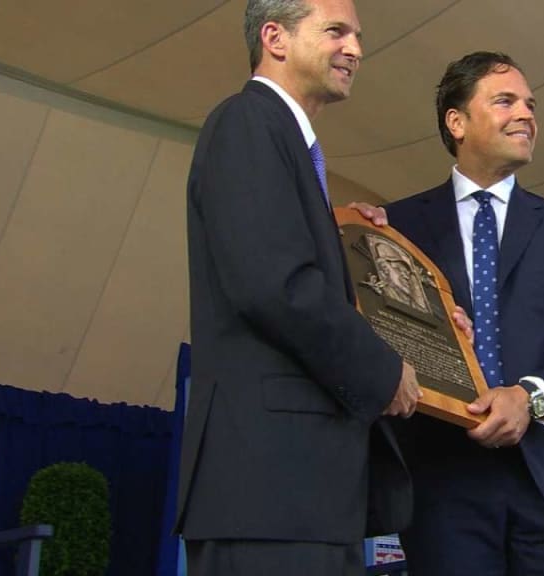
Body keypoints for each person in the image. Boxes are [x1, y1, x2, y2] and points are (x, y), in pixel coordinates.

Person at [175, 1, 425, 573]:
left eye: (359, 36)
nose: (356, 50)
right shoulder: (245, 122)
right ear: (275, 38)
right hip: (266, 490)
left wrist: (348, 243)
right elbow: (274, 283)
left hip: (307, 494)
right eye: (336, 31)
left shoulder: (286, 143)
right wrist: (385, 369)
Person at [385, 51, 544, 575]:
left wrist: (530, 398)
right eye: (505, 100)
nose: (526, 114)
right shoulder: (395, 225)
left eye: (530, 104)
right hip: (443, 489)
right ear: (457, 122)